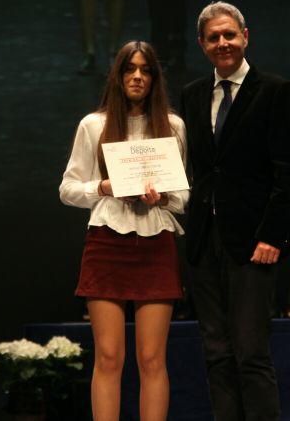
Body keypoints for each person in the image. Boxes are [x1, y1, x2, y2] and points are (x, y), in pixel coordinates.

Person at [180, 1, 290, 420]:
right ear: (202, 44)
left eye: (229, 34)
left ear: (245, 37)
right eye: (213, 37)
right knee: (216, 353)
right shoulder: (193, 95)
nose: (223, 43)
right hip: (204, 242)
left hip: (254, 241)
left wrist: (273, 235)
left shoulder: (274, 91)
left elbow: (289, 172)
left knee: (251, 352)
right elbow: (199, 169)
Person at [60, 40, 188, 420]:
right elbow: (67, 189)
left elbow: (183, 197)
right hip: (106, 242)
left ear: (154, 78)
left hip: (154, 243)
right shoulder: (93, 125)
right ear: (117, 76)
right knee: (110, 356)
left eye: (145, 70)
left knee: (151, 358)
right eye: (129, 69)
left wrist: (161, 198)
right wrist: (102, 187)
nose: (137, 77)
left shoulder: (173, 126)